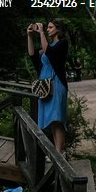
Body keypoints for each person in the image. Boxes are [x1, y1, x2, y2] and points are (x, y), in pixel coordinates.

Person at [26, 18, 70, 153]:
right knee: (51, 121)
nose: (48, 29)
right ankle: (58, 152)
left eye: (50, 27)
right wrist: (29, 36)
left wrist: (41, 33)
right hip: (44, 86)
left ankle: (59, 153)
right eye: (48, 27)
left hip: (56, 83)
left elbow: (49, 53)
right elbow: (32, 54)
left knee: (57, 119)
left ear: (58, 29)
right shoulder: (48, 46)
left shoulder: (62, 43)